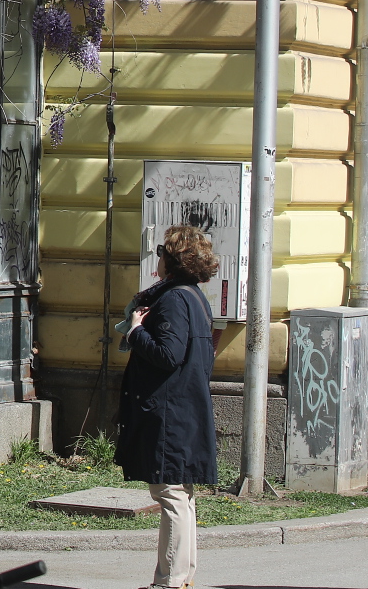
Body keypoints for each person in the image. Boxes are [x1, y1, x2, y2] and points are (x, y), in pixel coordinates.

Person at [117, 224, 220, 589]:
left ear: (171, 260)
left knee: (171, 494)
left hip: (170, 413)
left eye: (161, 253)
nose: (156, 261)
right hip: (184, 408)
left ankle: (170, 582)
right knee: (181, 494)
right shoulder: (193, 296)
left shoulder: (175, 298)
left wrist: (135, 331)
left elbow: (168, 354)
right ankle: (181, 578)